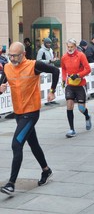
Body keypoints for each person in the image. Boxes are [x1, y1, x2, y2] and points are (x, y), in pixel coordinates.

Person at [0, 42, 59, 195]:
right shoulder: (7, 67)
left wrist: (52, 91)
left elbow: (54, 71)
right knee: (33, 144)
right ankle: (46, 170)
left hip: (31, 112)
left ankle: (11, 183)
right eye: (10, 55)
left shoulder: (34, 65)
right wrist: (1, 88)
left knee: (16, 144)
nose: (12, 58)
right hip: (18, 113)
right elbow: (2, 84)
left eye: (15, 55)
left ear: (23, 54)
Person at [60, 38, 92, 138]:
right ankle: (72, 129)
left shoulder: (81, 55)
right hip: (70, 85)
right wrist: (64, 79)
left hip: (80, 85)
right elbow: (64, 69)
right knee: (69, 105)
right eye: (68, 47)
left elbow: (88, 69)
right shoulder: (64, 57)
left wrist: (78, 75)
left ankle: (87, 116)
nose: (70, 49)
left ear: (75, 46)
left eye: (71, 47)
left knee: (81, 108)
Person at [36, 38, 59, 105]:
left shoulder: (51, 50)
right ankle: (46, 100)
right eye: (47, 43)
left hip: (51, 68)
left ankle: (51, 98)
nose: (49, 44)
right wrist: (49, 61)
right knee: (45, 85)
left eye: (49, 43)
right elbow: (38, 60)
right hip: (44, 69)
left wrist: (54, 60)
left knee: (51, 84)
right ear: (45, 43)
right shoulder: (41, 51)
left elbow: (51, 58)